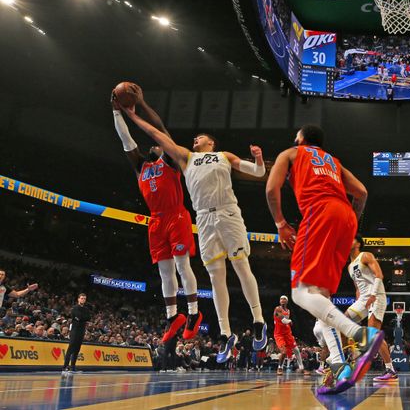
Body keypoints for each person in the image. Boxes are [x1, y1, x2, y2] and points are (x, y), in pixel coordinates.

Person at [119, 104, 269, 363]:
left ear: (211, 142)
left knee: (242, 267)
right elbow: (157, 134)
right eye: (195, 138)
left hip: (228, 212)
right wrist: (133, 114)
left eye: (200, 137)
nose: (195, 139)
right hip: (204, 218)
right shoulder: (185, 157)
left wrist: (257, 158)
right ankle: (225, 334)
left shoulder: (224, 156)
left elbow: (258, 172)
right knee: (215, 277)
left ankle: (258, 321)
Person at [266, 124, 383, 395]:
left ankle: (360, 335)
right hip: (346, 218)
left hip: (320, 212)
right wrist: (348, 219)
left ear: (301, 139)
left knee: (298, 293)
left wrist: (281, 223)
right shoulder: (335, 161)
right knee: (320, 300)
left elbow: (272, 190)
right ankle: (340, 365)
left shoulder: (292, 153)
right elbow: (362, 193)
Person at [110, 86, 202, 344]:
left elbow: (160, 131)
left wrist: (141, 103)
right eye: (152, 146)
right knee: (165, 272)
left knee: (183, 265)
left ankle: (194, 313)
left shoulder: (170, 161)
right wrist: (117, 112)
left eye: (159, 146)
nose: (155, 146)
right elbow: (126, 140)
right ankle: (173, 316)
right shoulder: (141, 167)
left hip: (177, 216)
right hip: (156, 221)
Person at [345, 235, 398, 383]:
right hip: (363, 299)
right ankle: (342, 359)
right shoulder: (350, 266)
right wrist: (358, 303)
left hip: (376, 296)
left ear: (358, 244)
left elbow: (379, 275)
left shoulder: (365, 256)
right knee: (341, 321)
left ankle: (390, 369)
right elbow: (357, 287)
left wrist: (373, 295)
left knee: (374, 334)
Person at [273, 295, 305, 374]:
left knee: (296, 350)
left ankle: (302, 368)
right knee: (284, 352)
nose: (282, 300)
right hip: (279, 334)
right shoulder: (277, 309)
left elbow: (285, 321)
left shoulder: (288, 311)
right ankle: (279, 368)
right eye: (281, 299)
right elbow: (283, 320)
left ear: (287, 301)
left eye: (284, 299)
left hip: (288, 334)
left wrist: (288, 321)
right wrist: (289, 321)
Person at [62, 293, 92, 375]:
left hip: (81, 331)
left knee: (77, 349)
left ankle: (73, 367)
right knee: (71, 348)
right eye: (82, 298)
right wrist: (82, 318)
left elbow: (88, 317)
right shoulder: (74, 308)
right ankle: (65, 367)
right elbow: (78, 317)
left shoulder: (86, 309)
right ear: (78, 299)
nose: (83, 300)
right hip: (75, 330)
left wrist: (82, 318)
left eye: (84, 298)